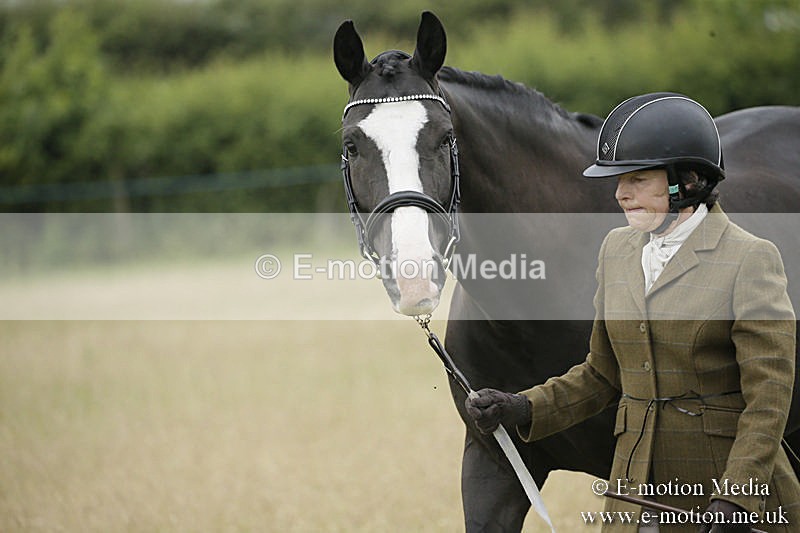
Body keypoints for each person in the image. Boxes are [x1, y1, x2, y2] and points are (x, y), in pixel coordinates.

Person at [465, 93, 800, 532]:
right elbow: (602, 375)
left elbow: (769, 396)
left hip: (731, 498)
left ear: (689, 180)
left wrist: (738, 495)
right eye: (619, 180)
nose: (621, 194)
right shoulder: (616, 250)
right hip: (634, 497)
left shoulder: (751, 258)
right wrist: (523, 407)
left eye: (638, 180)